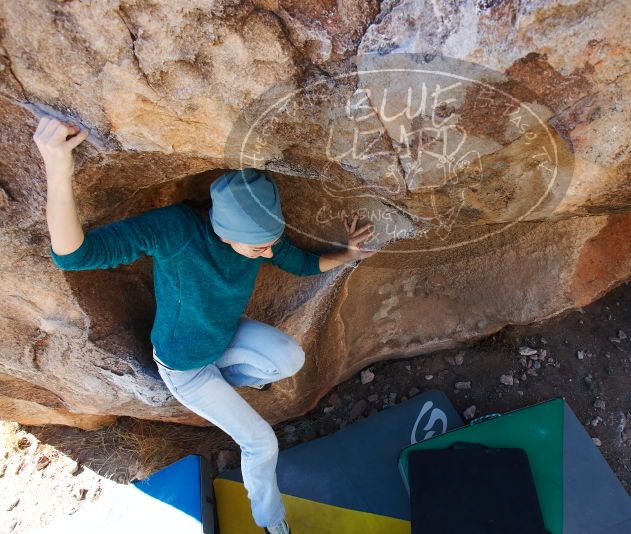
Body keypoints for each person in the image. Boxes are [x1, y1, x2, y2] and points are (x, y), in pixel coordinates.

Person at [34, 115, 376, 534]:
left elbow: (301, 262)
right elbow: (74, 256)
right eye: (260, 248)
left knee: (290, 357)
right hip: (186, 366)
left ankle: (225, 387)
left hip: (227, 335)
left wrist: (347, 253)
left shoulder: (259, 234)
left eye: (271, 243)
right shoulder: (175, 231)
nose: (269, 256)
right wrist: (56, 166)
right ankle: (272, 523)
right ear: (226, 229)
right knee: (260, 442)